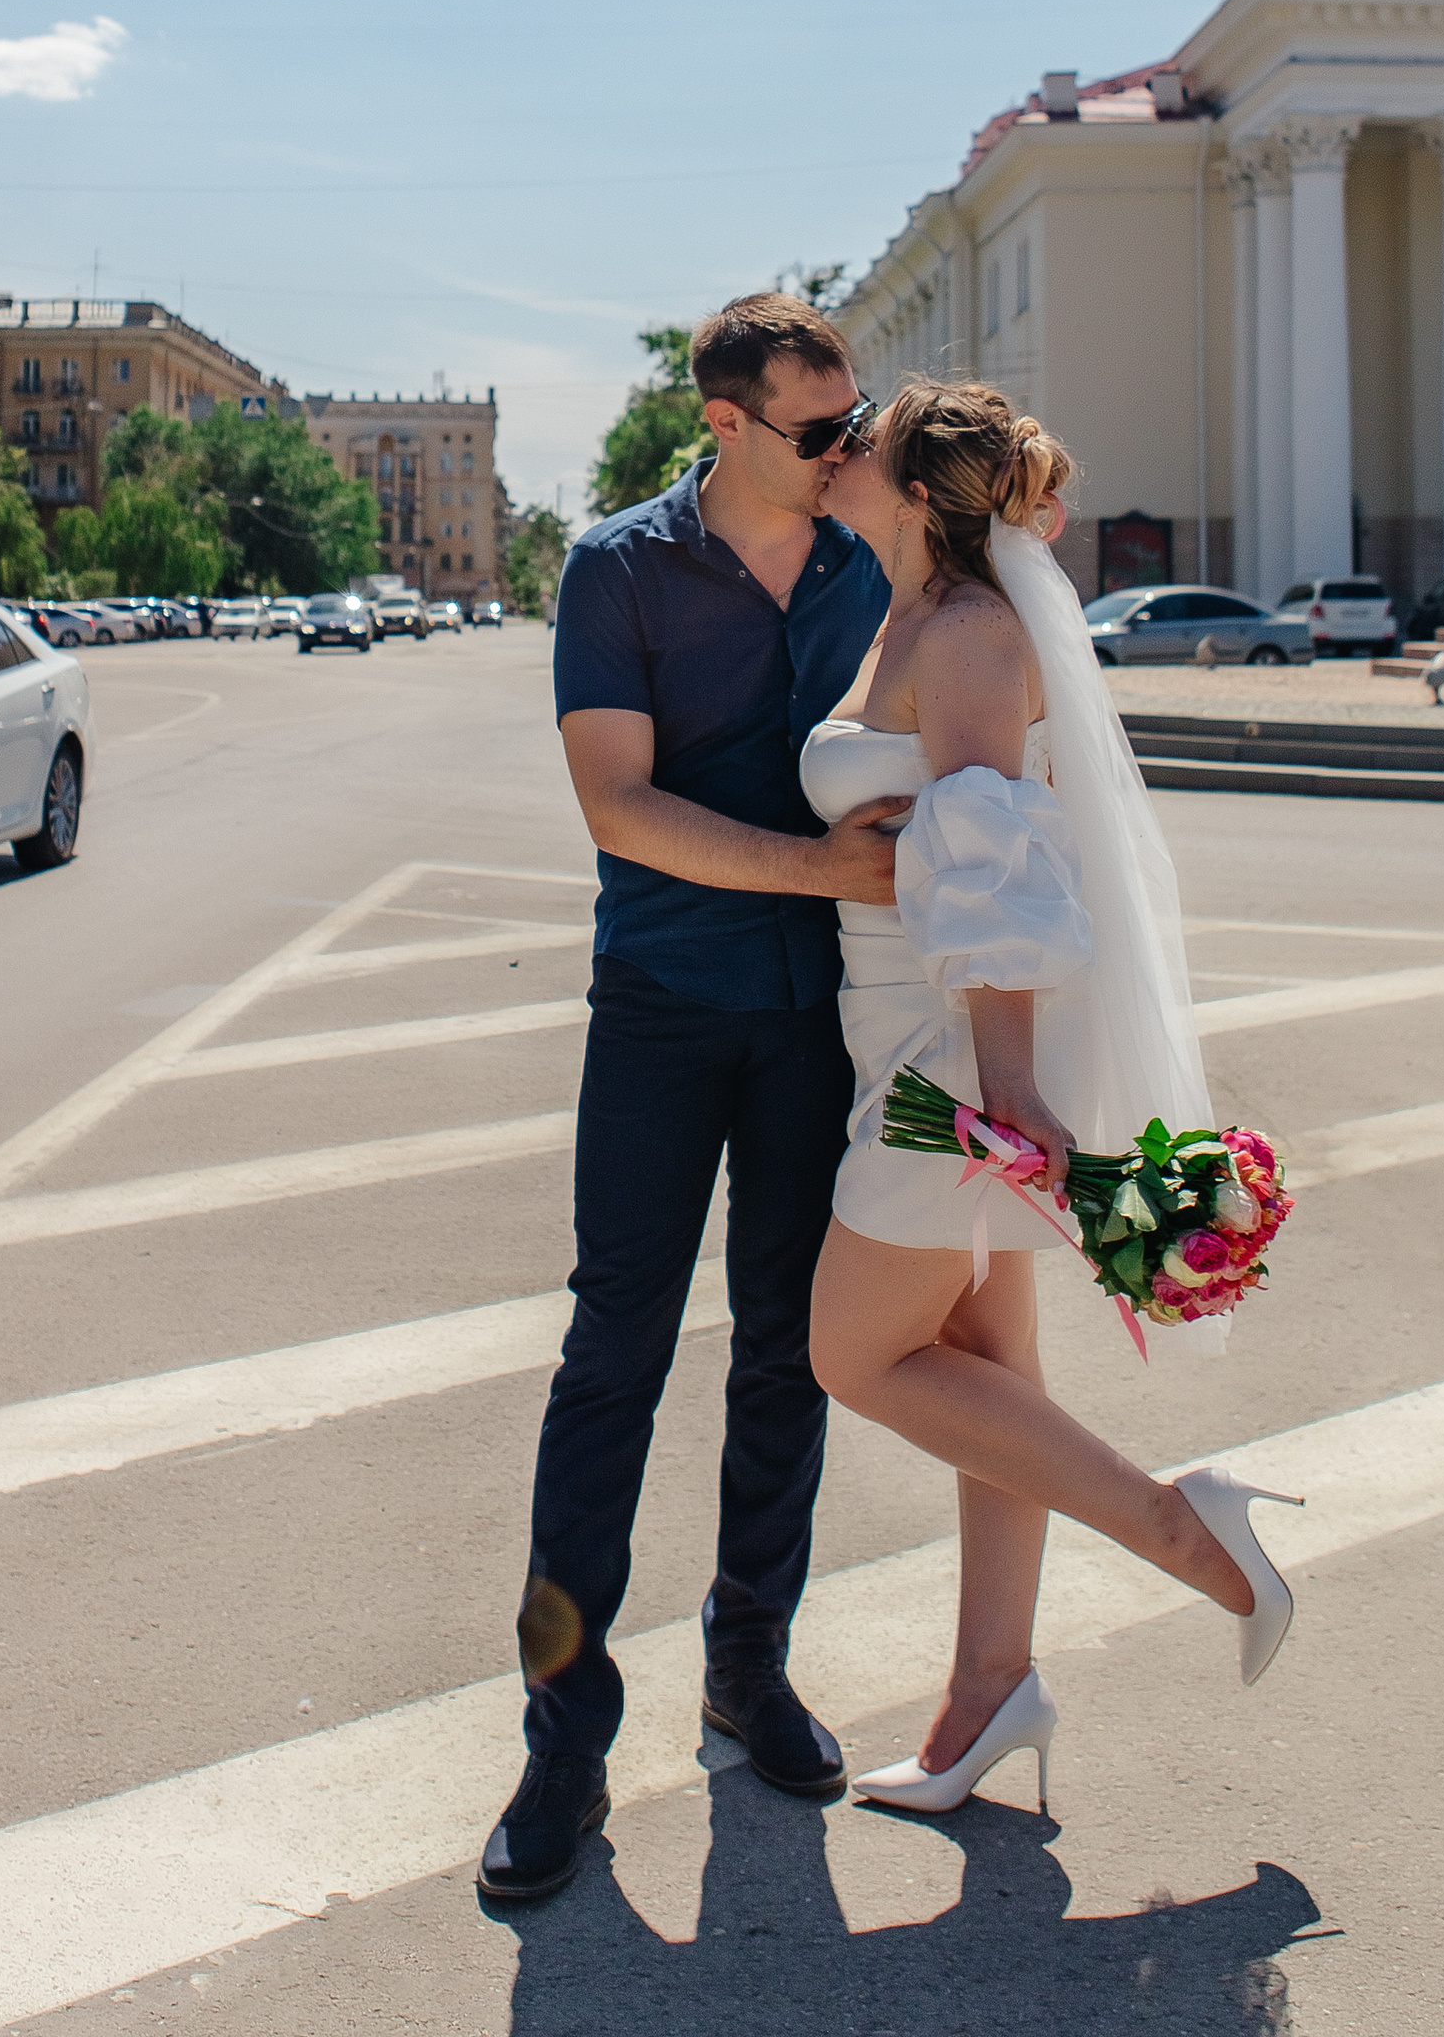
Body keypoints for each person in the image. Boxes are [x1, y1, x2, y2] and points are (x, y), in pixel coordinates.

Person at [802, 377, 1302, 1817]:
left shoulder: (966, 630)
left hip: (954, 1057)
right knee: (989, 1365)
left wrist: (1008, 1089)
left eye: (859, 439)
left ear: (913, 491)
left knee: (856, 1354)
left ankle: (1185, 1531)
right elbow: (944, 829)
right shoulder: (911, 612)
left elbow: (994, 856)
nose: (836, 452)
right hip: (907, 1027)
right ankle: (989, 1695)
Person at [480, 294, 903, 1905]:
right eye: (819, 430)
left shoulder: (869, 561)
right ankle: (563, 1737)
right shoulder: (619, 567)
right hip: (662, 1009)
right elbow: (619, 804)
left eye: (854, 422)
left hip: (823, 1021)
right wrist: (815, 868)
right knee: (614, 1360)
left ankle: (750, 1666)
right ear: (725, 423)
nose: (845, 451)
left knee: (789, 1355)